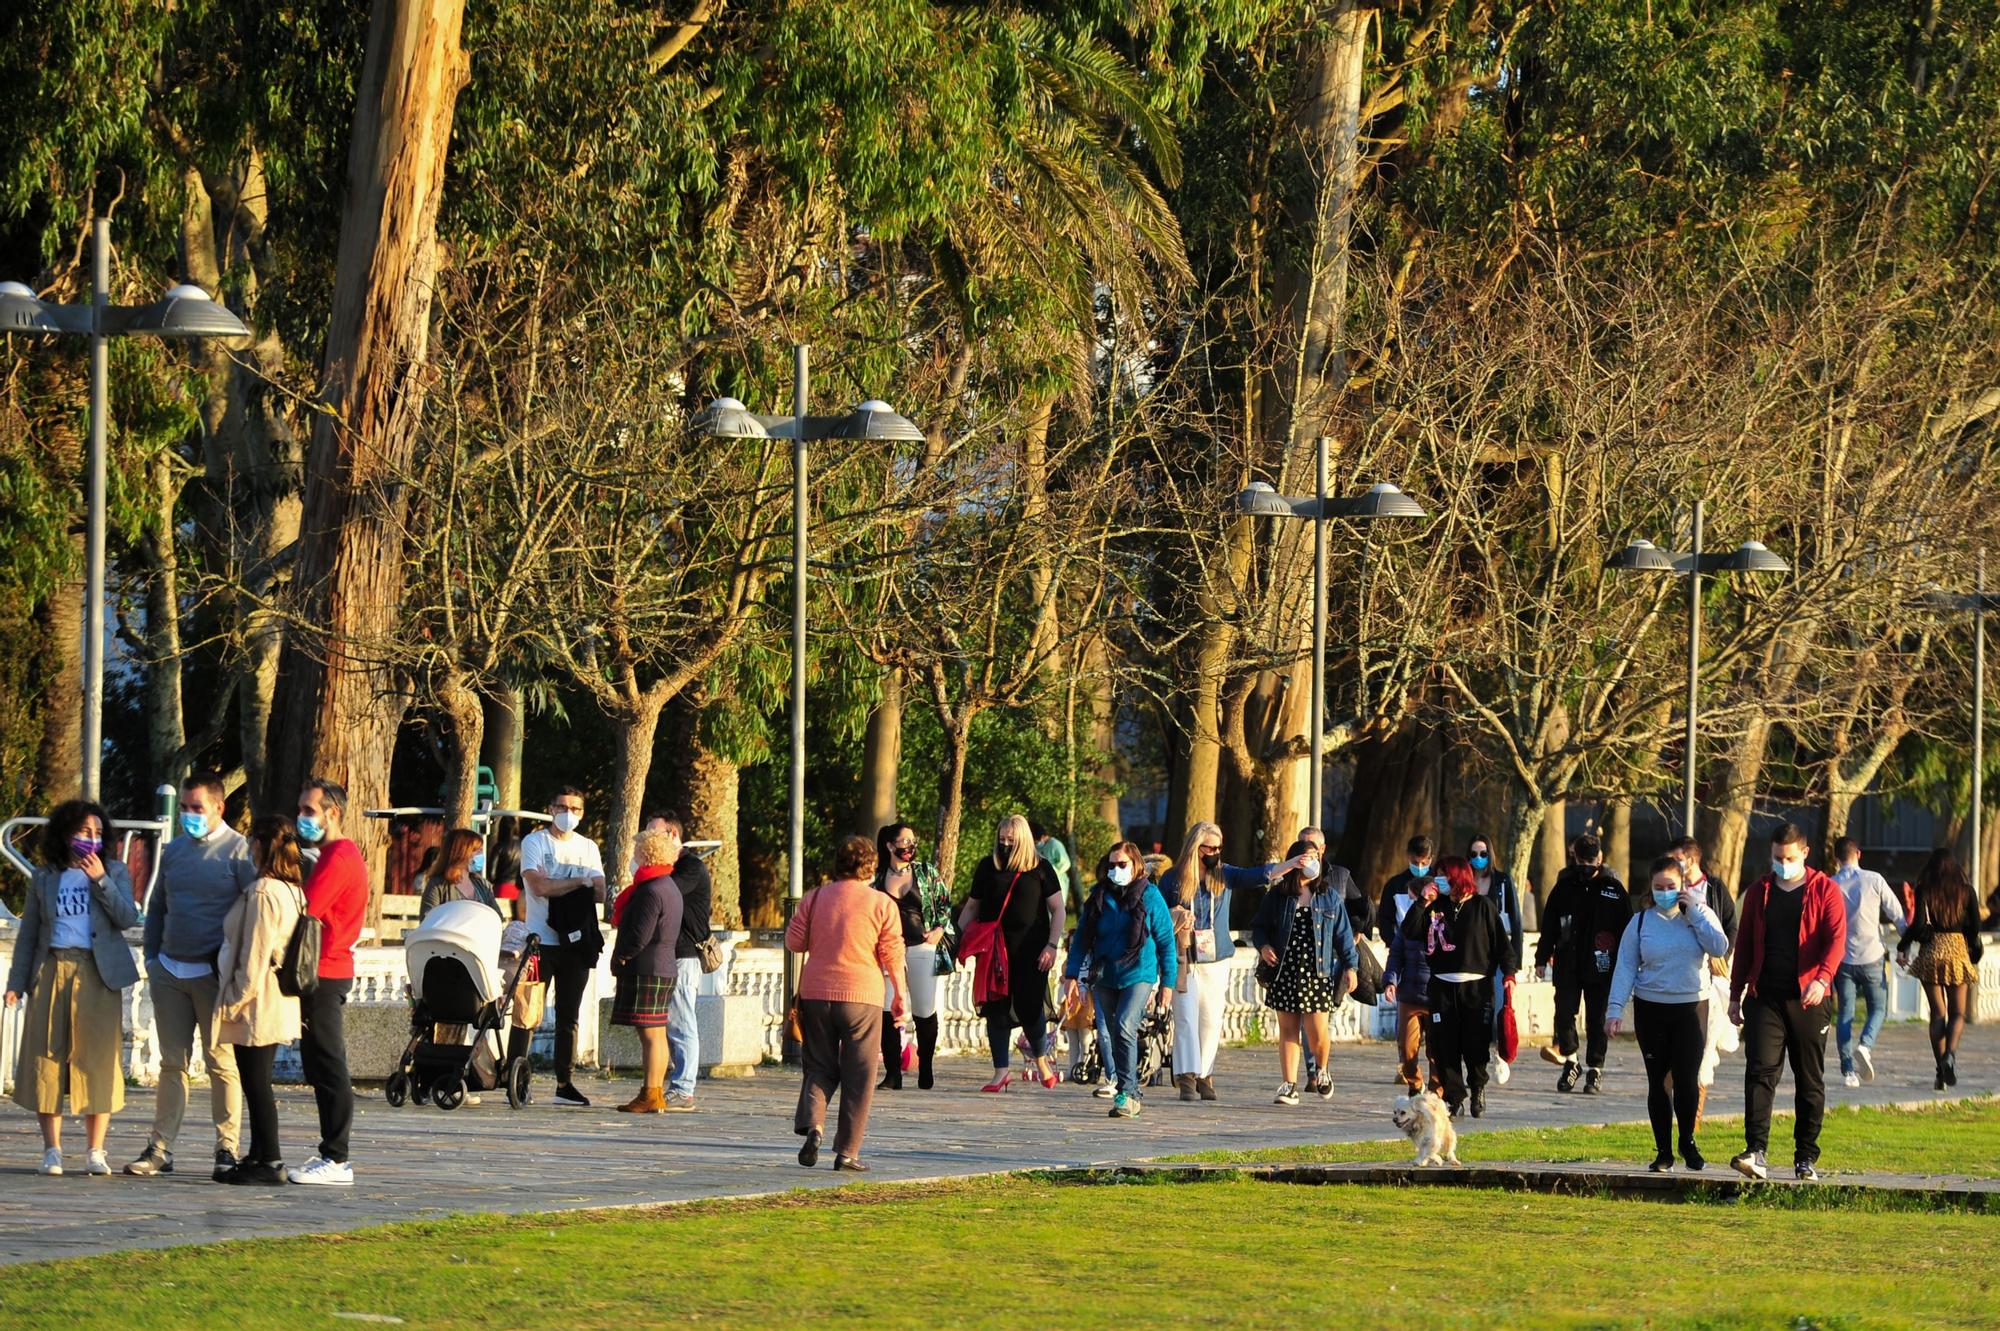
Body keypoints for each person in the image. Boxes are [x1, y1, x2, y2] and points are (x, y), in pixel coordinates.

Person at [127, 770, 256, 1181]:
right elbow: (158, 907)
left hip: (213, 977)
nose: (188, 815)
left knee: (221, 1063)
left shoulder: (240, 853)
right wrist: (152, 958)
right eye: (184, 807)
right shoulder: (175, 851)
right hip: (169, 971)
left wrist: (236, 973)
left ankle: (227, 1148)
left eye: (196, 807)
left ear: (219, 807)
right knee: (171, 1064)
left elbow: (254, 915)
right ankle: (160, 1148)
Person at [5, 800, 139, 1176]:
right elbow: (30, 933)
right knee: (46, 1057)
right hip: (51, 968)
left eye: (97, 834)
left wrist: (100, 881)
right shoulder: (45, 877)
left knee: (97, 1059)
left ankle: (96, 1150)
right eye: (84, 832)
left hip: (97, 971)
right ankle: (53, 1149)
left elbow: (127, 917)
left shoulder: (113, 870)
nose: (91, 840)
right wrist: (17, 983)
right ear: (66, 834)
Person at [1728, 822, 1846, 1182]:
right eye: (1777, 857)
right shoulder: (1759, 891)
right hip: (1766, 997)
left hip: (1810, 999)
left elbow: (1836, 939)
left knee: (1809, 1079)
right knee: (1760, 1072)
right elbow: (1745, 944)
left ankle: (1805, 1156)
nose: (1783, 864)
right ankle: (1756, 1151)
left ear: (1805, 854)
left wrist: (1823, 977)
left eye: (1790, 858)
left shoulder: (1826, 890)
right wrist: (1735, 995)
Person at [1158, 821, 1302, 1101]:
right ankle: (1186, 1075)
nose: (1215, 852)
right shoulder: (1173, 878)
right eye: (1210, 848)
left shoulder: (1223, 875)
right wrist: (1176, 914)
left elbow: (1259, 874)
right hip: (1184, 957)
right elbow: (1159, 915)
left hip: (1217, 957)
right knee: (1186, 1017)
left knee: (1211, 1019)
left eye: (1219, 847)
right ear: (1195, 848)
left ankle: (1204, 1072)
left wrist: (1291, 864)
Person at [788, 835, 906, 1171]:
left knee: (819, 1067)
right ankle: (847, 1152)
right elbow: (892, 955)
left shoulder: (815, 897)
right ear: (871, 867)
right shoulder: (883, 904)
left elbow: (794, 942)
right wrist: (900, 996)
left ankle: (815, 1127)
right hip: (862, 997)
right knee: (860, 1074)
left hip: (816, 994)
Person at [1605, 856, 1729, 1172]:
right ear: (1650, 887)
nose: (1664, 892)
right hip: (1651, 1008)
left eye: (1671, 887)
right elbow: (1626, 966)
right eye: (1658, 887)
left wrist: (1696, 913)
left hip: (1691, 1007)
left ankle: (1687, 1141)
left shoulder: (1699, 916)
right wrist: (1615, 1008)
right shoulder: (1641, 922)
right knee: (1659, 1082)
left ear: (1683, 886)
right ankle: (1663, 1151)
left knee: (1687, 1079)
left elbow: (1719, 947)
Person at [213, 816, 307, 1184]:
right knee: (257, 1081)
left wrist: (232, 1001)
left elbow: (253, 955)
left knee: (256, 1083)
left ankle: (270, 1159)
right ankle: (258, 1154)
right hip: (276, 996)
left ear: (263, 847)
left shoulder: (265, 892)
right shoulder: (292, 890)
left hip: (258, 1000)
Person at [288, 777, 366, 1186]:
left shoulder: (338, 855)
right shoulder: (331, 854)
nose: (301, 817)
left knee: (329, 1063)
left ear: (331, 813)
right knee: (319, 1064)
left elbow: (306, 908)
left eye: (308, 810)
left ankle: (337, 1158)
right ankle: (331, 1152)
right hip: (324, 968)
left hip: (326, 969)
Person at [1061, 841, 1176, 1118]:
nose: (1116, 870)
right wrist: (1072, 975)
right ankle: (1127, 1088)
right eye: (1111, 865)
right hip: (1106, 974)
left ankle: (1129, 1092)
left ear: (1136, 865)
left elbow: (1166, 942)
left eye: (1122, 865)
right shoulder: (1099, 897)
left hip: (1139, 973)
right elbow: (1082, 940)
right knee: (1111, 1033)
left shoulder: (1150, 896)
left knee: (1125, 1025)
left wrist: (1168, 984)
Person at [1402, 855, 1515, 1117]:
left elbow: (1502, 946)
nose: (1441, 879)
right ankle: (1455, 1097)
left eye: (1445, 874)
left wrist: (1509, 974)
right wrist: (1422, 901)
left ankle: (1477, 1088)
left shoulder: (1483, 906)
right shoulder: (1434, 907)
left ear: (1459, 876)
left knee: (1475, 1044)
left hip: (1476, 988)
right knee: (1444, 1046)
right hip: (1441, 987)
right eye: (1438, 874)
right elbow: (1409, 931)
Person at [959, 814, 1066, 1091]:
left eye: (1011, 840)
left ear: (1024, 841)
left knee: (1030, 1007)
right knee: (996, 1008)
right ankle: (1000, 1071)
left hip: (1032, 949)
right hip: (995, 949)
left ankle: (1041, 1059)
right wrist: (957, 938)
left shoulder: (1041, 869)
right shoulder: (987, 867)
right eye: (1002, 839)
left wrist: (1052, 945)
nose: (1005, 844)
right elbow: (972, 906)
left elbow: (1058, 909)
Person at [517, 786, 607, 1108]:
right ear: (551, 809)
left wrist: (563, 885)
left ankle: (564, 1083)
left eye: (575, 808)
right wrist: (579, 882)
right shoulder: (535, 843)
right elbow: (537, 886)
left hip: (576, 943)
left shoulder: (588, 848)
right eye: (563, 806)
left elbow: (600, 892)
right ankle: (517, 1079)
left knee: (569, 1015)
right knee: (528, 1012)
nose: (569, 813)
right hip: (541, 940)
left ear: (582, 813)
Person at [1252, 839, 1360, 1105]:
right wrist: (1264, 946)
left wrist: (1350, 966)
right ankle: (1289, 1085)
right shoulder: (1278, 896)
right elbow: (1259, 927)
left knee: (1317, 1031)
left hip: (1317, 972)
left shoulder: (1328, 896)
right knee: (1287, 1030)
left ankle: (1321, 1071)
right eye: (1305, 857)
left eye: (1315, 857)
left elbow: (1343, 935)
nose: (1311, 862)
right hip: (1284, 970)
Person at [1534, 834, 1630, 1094]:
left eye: (1591, 859)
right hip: (1568, 962)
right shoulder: (1564, 887)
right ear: (1574, 858)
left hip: (1601, 965)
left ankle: (1595, 1068)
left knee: (1597, 1018)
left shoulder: (1613, 888)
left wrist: (1627, 965)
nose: (1587, 864)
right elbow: (1550, 925)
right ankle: (1571, 1060)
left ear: (1600, 858)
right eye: (1582, 859)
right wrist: (1541, 958)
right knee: (1564, 1013)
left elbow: (1627, 929)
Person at [609, 826, 685, 1114]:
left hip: (647, 966)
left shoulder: (651, 890)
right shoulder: (668, 886)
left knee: (651, 1033)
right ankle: (653, 1092)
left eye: (637, 851)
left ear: (646, 853)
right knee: (655, 1032)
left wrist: (623, 956)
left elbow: (640, 934)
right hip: (663, 965)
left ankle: (650, 1093)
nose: (634, 857)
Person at [1897, 847, 1984, 1092]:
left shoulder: (1925, 888)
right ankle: (1951, 1056)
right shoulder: (1966, 891)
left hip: (1931, 952)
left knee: (1938, 1014)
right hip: (1957, 952)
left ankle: (1939, 1073)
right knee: (1958, 1013)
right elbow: (1975, 927)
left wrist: (1903, 946)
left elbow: (1917, 925)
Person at [873, 822, 951, 1091]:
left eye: (913, 841)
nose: (910, 846)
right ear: (890, 845)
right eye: (904, 841)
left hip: (921, 947)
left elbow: (945, 904)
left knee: (923, 1010)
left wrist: (939, 930)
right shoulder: (877, 876)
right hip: (888, 949)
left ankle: (925, 1065)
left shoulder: (926, 872)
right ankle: (893, 1073)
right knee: (886, 1009)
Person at [1667, 835, 1738, 1131]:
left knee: (1704, 1047)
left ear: (1691, 860)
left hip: (1711, 978)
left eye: (1677, 859)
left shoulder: (1714, 890)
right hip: (1674, 978)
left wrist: (1723, 957)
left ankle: (1693, 1115)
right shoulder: (1667, 888)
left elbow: (1731, 925)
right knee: (1673, 1050)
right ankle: (1672, 1108)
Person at [648, 811, 712, 1112]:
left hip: (684, 955)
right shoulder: (664, 869)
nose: (648, 841)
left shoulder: (689, 868)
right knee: (666, 1022)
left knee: (681, 1021)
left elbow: (662, 894)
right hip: (664, 954)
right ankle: (670, 1082)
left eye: (654, 834)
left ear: (673, 835)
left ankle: (684, 1088)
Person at [1830, 836, 1903, 1088]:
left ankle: (1848, 1070)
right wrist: (1905, 942)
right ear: (1858, 854)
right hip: (1871, 955)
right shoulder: (1874, 880)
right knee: (1878, 1008)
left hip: (1842, 959)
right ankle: (1866, 1044)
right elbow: (1896, 913)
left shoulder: (1830, 884)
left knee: (1845, 1014)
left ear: (1835, 857)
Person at [1467, 833, 1525, 1086]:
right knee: (1477, 1010)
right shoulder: (1464, 882)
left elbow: (1516, 920)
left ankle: (1502, 1055)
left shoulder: (1502, 881)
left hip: (1499, 955)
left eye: (1483, 853)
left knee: (1503, 1007)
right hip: (1474, 957)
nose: (1478, 858)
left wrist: (1515, 964)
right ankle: (1476, 1059)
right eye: (1473, 854)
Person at [1380, 866, 1440, 1095]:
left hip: (1435, 997)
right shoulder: (1406, 927)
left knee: (1437, 1051)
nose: (1411, 903)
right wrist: (1391, 981)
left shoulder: (1442, 924)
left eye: (1415, 898)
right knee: (1406, 1049)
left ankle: (1437, 1091)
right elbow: (1395, 955)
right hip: (1409, 995)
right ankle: (1415, 1085)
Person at [418, 827, 500, 918]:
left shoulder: (482, 885)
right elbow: (427, 920)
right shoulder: (437, 885)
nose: (481, 855)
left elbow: (497, 916)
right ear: (462, 853)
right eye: (478, 851)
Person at [1373, 835, 1437, 942]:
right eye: (1415, 863)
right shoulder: (1394, 885)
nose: (1419, 867)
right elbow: (1385, 920)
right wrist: (1394, 943)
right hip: (1402, 946)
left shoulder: (1438, 884)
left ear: (1431, 859)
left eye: (1424, 863)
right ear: (1408, 856)